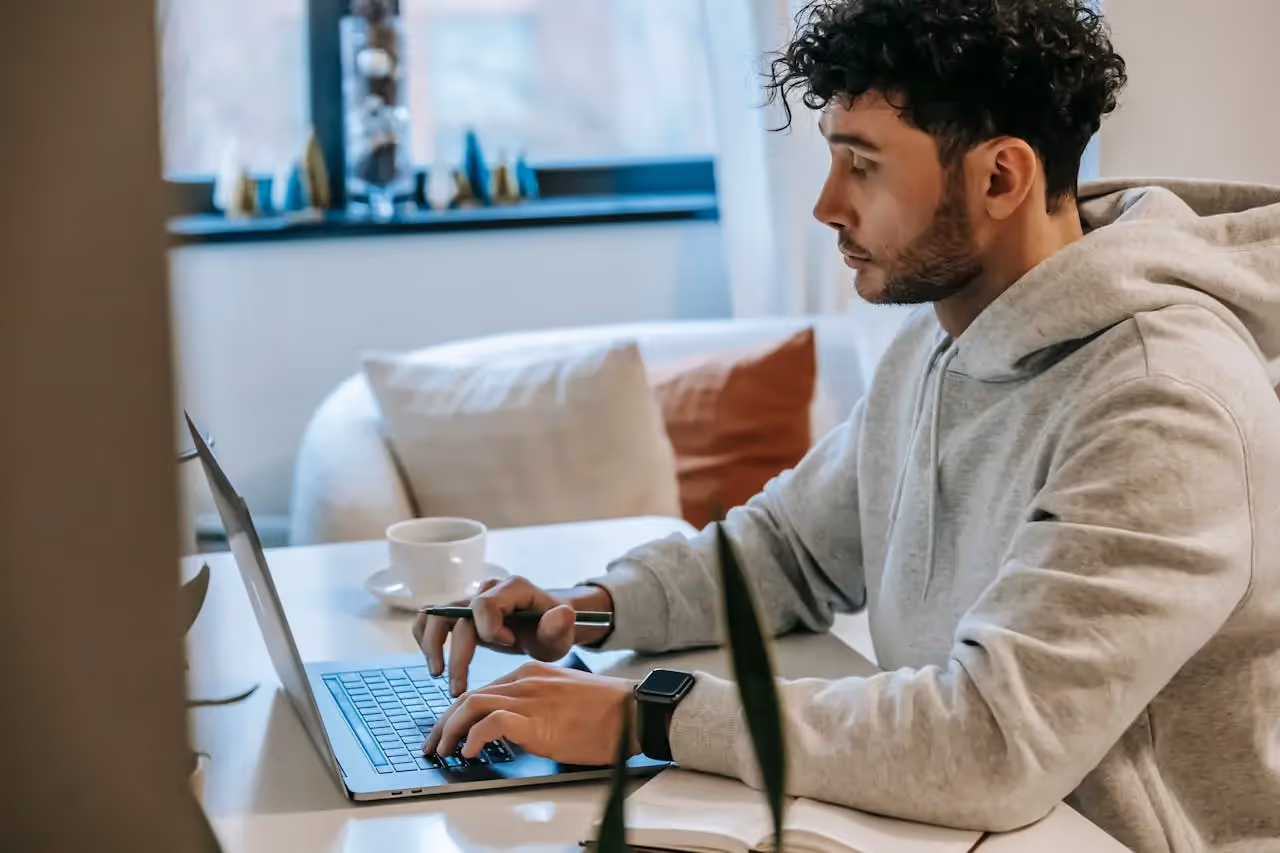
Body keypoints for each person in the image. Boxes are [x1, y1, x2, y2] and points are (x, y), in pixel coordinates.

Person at [416, 1, 1280, 849]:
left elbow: (991, 740)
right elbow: (792, 548)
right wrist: (598, 606)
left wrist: (648, 714)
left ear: (1000, 178)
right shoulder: (943, 334)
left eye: (862, 165)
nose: (827, 205)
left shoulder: (1161, 399)